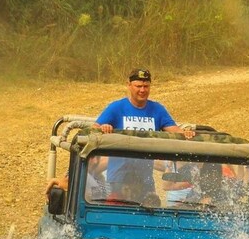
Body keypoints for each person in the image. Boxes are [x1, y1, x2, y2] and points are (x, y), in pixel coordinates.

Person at [46, 67, 192, 196]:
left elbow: (174, 130)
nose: (142, 90)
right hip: (118, 179)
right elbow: (93, 130)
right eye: (138, 86)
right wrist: (103, 129)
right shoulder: (116, 108)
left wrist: (186, 133)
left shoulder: (158, 110)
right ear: (129, 85)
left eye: (146, 86)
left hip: (145, 180)